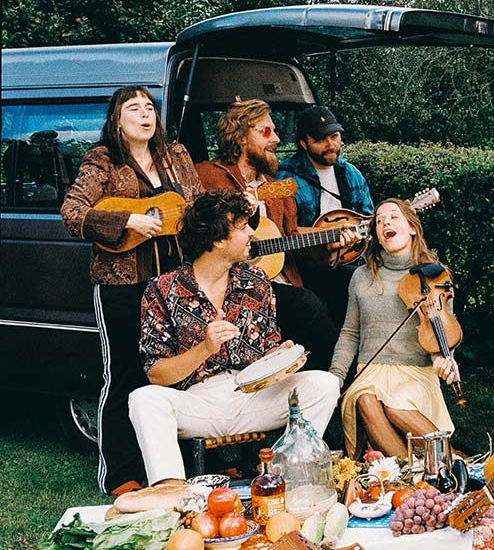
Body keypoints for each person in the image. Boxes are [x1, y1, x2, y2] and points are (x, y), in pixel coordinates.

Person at [130, 190, 340, 486]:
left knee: (324, 384)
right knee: (143, 399)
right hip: (199, 403)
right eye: (242, 227)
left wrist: (279, 357)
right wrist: (205, 348)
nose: (252, 233)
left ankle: (288, 479)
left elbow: (267, 351)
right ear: (217, 239)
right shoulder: (163, 289)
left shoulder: (255, 281)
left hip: (253, 397)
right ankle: (170, 490)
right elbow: (157, 375)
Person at [60, 85, 203, 497]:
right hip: (122, 285)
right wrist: (126, 221)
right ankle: (120, 472)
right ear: (117, 121)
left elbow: (199, 206)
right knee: (124, 374)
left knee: (176, 372)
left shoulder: (175, 156)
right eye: (134, 108)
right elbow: (72, 212)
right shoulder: (102, 160)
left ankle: (173, 466)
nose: (145, 114)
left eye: (150, 108)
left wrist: (240, 204)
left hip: (173, 284)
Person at [195, 99, 355, 372]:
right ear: (241, 137)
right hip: (236, 285)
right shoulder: (207, 176)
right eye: (266, 132)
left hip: (284, 275)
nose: (277, 139)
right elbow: (198, 232)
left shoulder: (277, 188)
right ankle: (342, 376)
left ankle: (371, 364)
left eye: (276, 131)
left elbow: (292, 243)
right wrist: (239, 213)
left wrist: (329, 245)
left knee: (352, 280)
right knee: (308, 305)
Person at [330, 198, 458, 459]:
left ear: (412, 228)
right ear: (377, 235)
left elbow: (442, 330)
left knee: (396, 404)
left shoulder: (435, 275)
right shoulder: (361, 276)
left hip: (415, 372)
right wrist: (335, 378)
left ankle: (449, 461)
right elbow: (350, 333)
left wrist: (444, 359)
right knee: (364, 399)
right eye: (379, 221)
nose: (385, 223)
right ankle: (413, 473)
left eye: (393, 217)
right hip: (370, 372)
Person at [275, 106, 374, 330]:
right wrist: (325, 242)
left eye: (334, 136)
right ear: (303, 143)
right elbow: (283, 232)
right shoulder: (285, 178)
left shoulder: (350, 173)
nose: (330, 144)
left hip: (351, 258)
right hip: (308, 265)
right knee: (353, 282)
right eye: (320, 139)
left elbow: (368, 218)